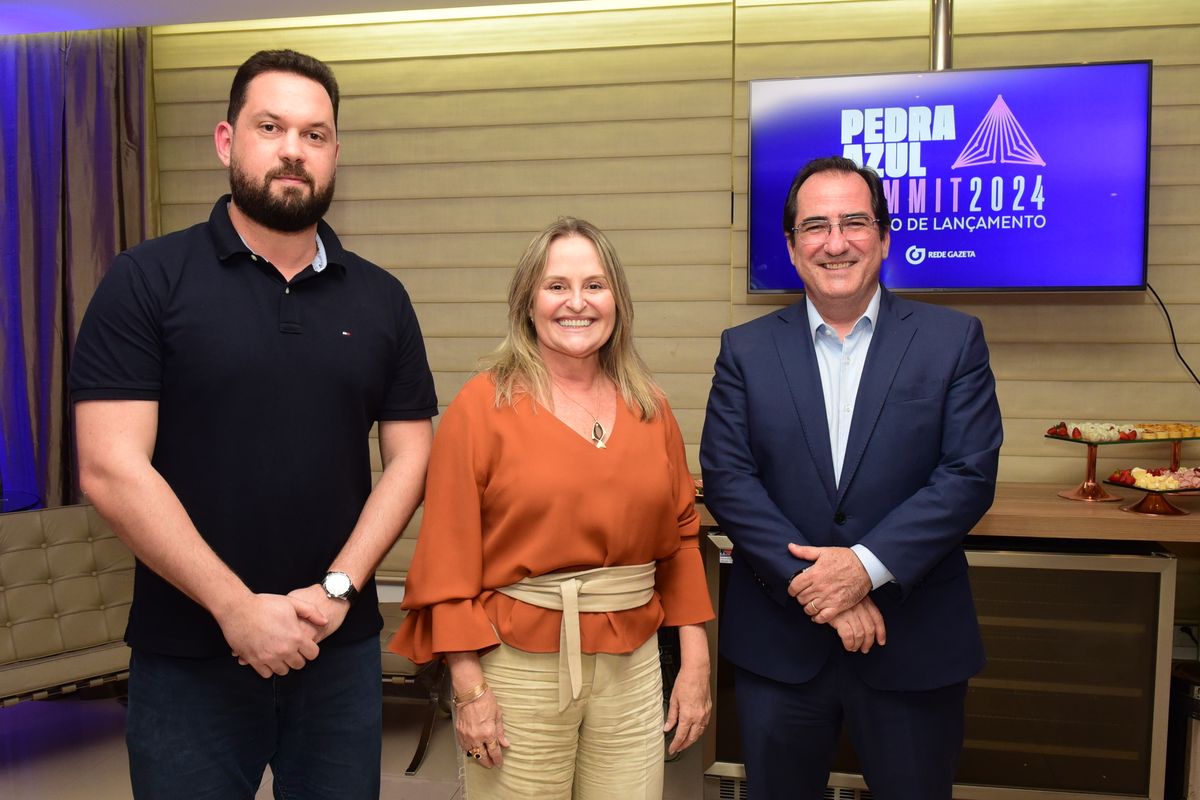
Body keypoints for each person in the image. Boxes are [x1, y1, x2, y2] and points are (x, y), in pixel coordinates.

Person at [69, 49, 437, 799]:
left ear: (335, 153)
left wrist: (337, 591)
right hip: (188, 660)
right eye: (271, 127)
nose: (294, 150)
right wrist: (236, 609)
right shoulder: (146, 280)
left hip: (338, 652)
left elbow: (410, 458)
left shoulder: (383, 299)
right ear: (226, 141)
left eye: (315, 134)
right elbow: (111, 467)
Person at [699, 156, 1003, 799]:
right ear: (791, 245)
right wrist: (817, 587)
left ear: (885, 237)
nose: (835, 242)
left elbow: (968, 475)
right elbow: (729, 478)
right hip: (782, 650)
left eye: (854, 222)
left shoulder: (953, 340)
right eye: (815, 226)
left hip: (914, 643)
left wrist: (864, 567)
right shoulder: (744, 350)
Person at [390, 217, 713, 799]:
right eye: (556, 285)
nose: (577, 303)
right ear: (527, 302)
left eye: (595, 285)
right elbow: (446, 558)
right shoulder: (481, 406)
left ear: (617, 300)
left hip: (634, 665)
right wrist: (468, 689)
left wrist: (695, 661)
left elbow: (682, 541)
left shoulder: (650, 406)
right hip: (519, 665)